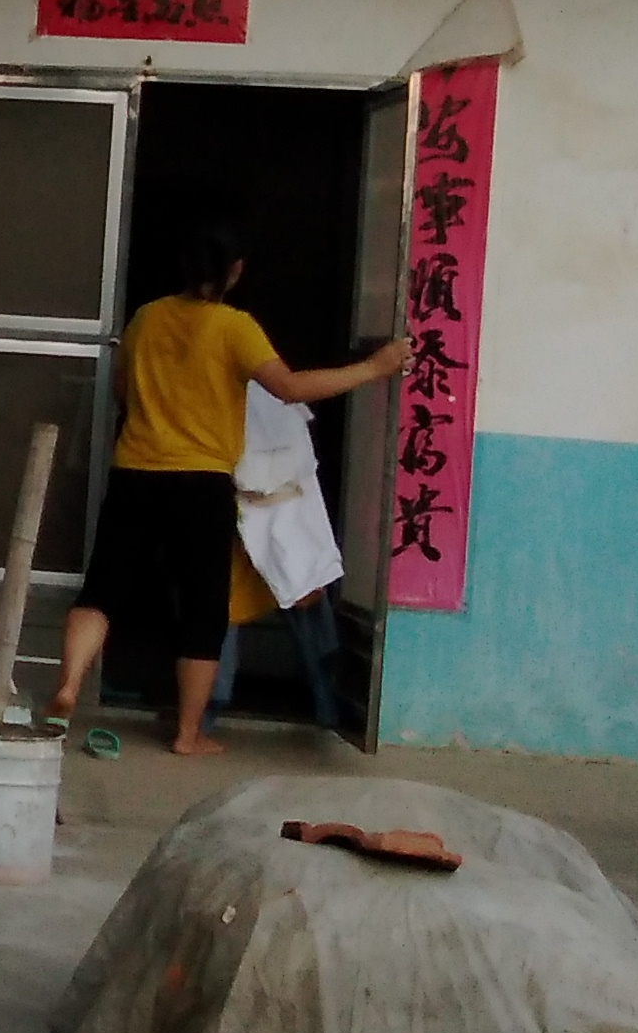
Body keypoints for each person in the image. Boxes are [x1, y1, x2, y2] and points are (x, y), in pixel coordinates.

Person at [45, 216, 404, 759]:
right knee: (204, 610)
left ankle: (70, 684)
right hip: (202, 483)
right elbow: (289, 388)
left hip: (135, 472)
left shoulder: (147, 317)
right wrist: (374, 368)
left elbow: (123, 391)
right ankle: (188, 735)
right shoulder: (235, 328)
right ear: (235, 271)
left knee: (102, 591)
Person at [210, 378, 346, 734]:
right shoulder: (272, 393)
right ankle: (327, 705)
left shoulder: (258, 389)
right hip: (264, 506)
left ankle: (208, 711)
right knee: (227, 607)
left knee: (225, 608)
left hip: (268, 505)